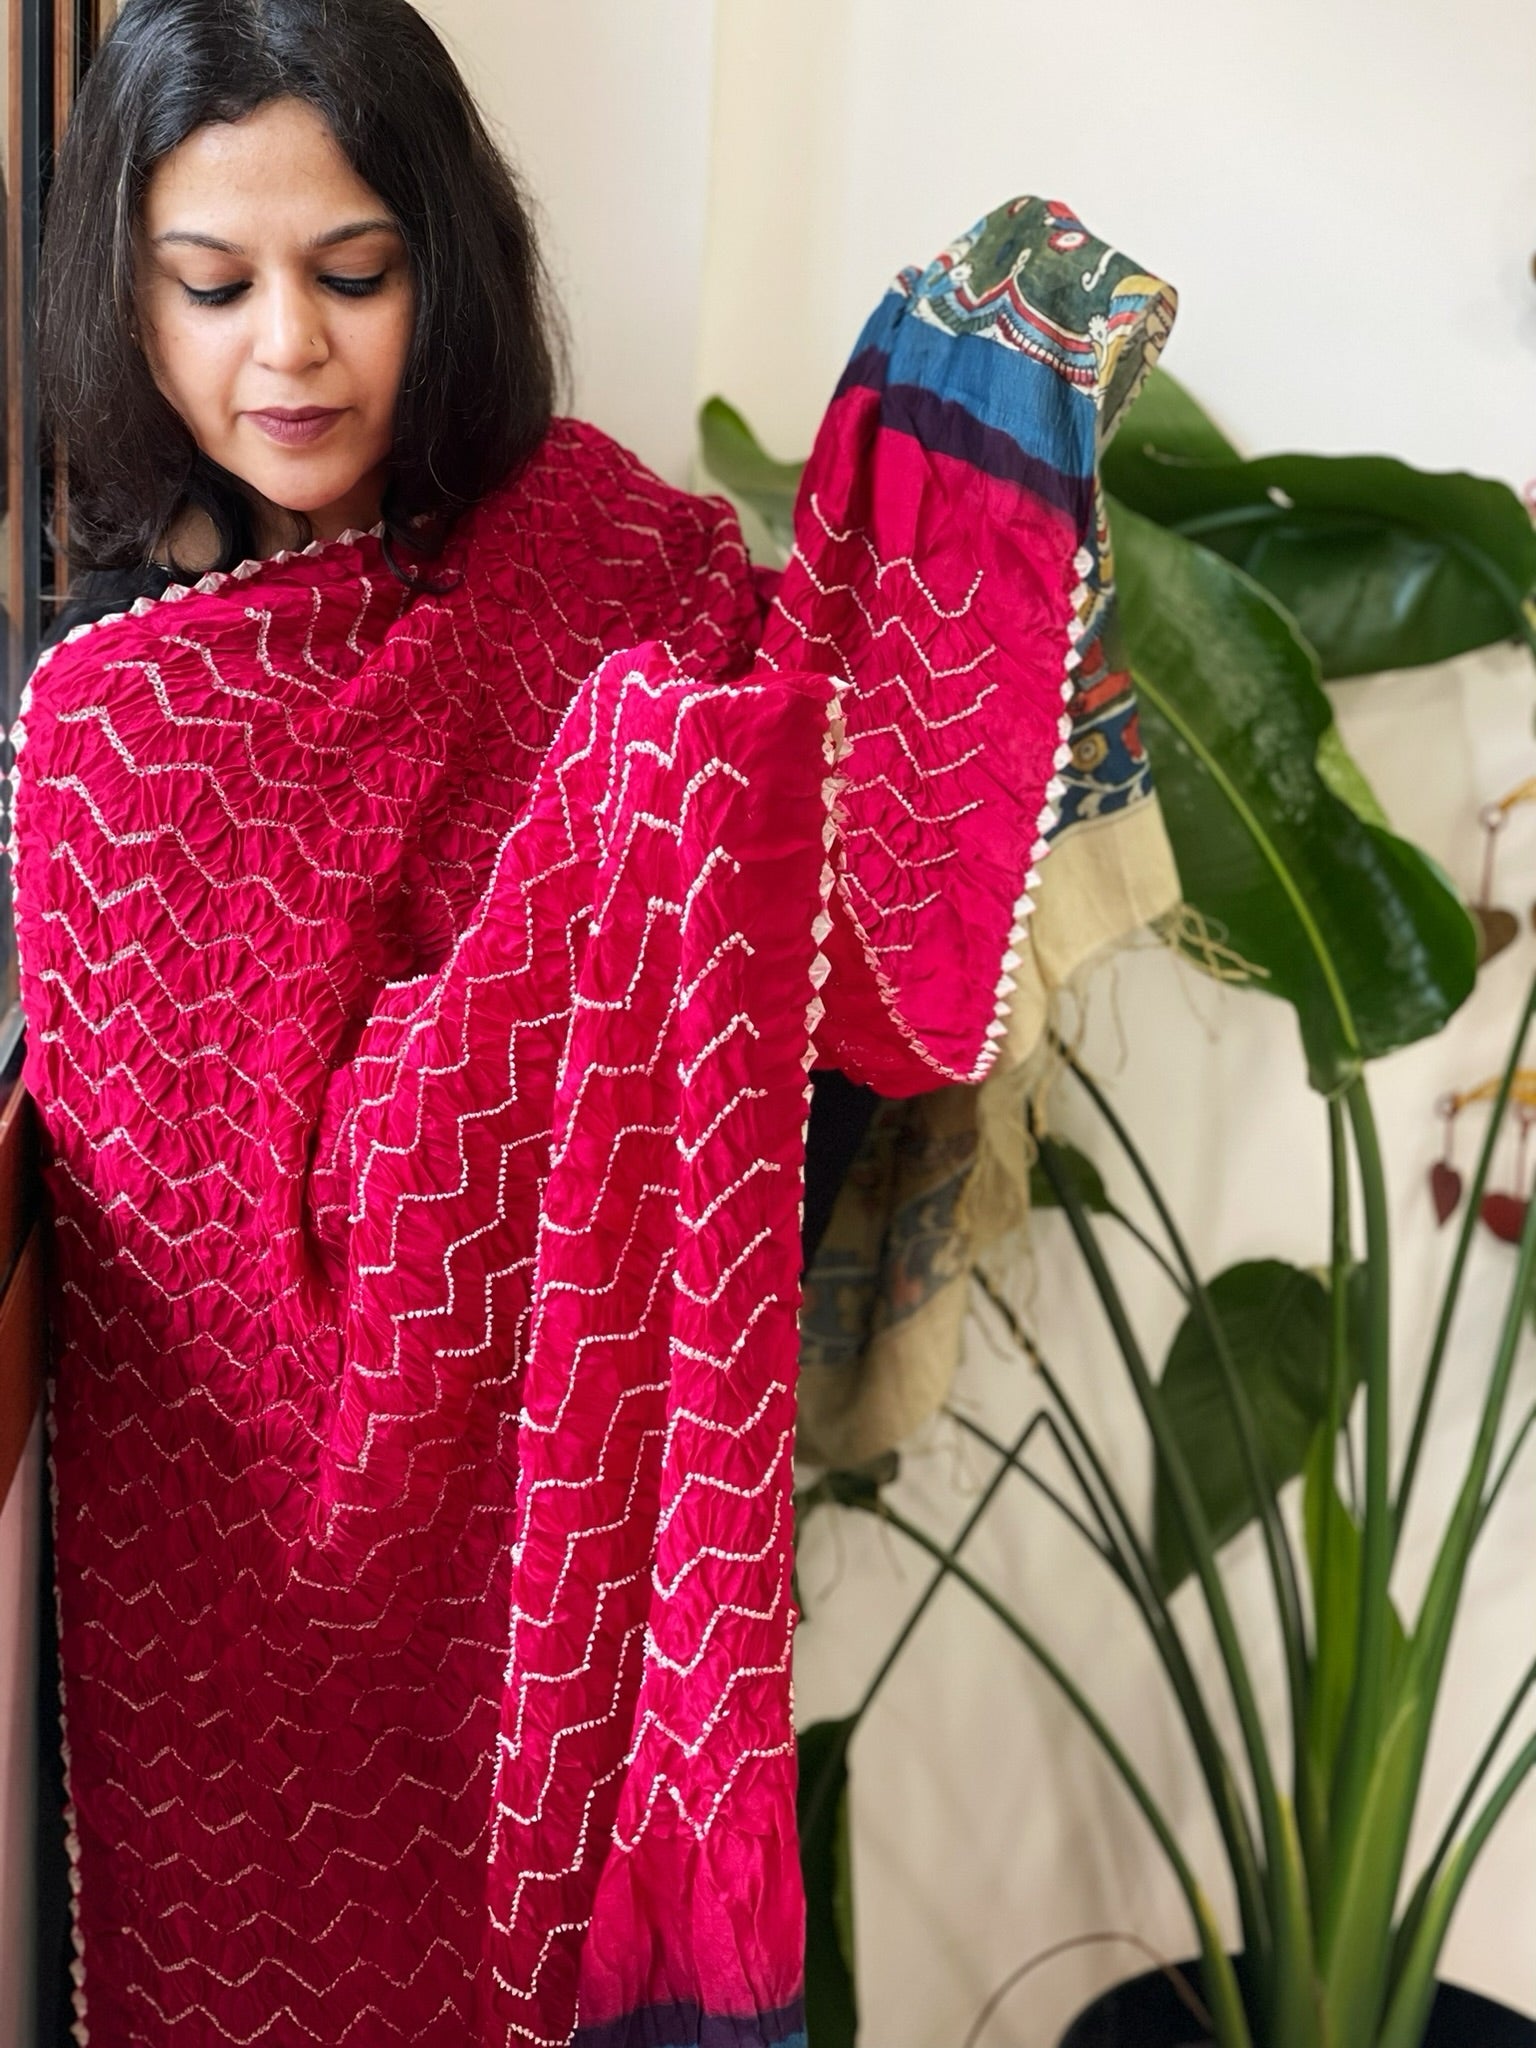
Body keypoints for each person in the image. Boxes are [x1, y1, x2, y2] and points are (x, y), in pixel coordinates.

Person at [15, 2, 1174, 2042]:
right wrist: (615, 823)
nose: (284, 345)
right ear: (124, 295)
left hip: (633, 1547)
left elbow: (802, 850)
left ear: (445, 267)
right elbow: (243, 1318)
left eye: (352, 274)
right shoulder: (117, 733)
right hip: (290, 1677)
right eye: (211, 285)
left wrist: (924, 473)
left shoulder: (594, 543)